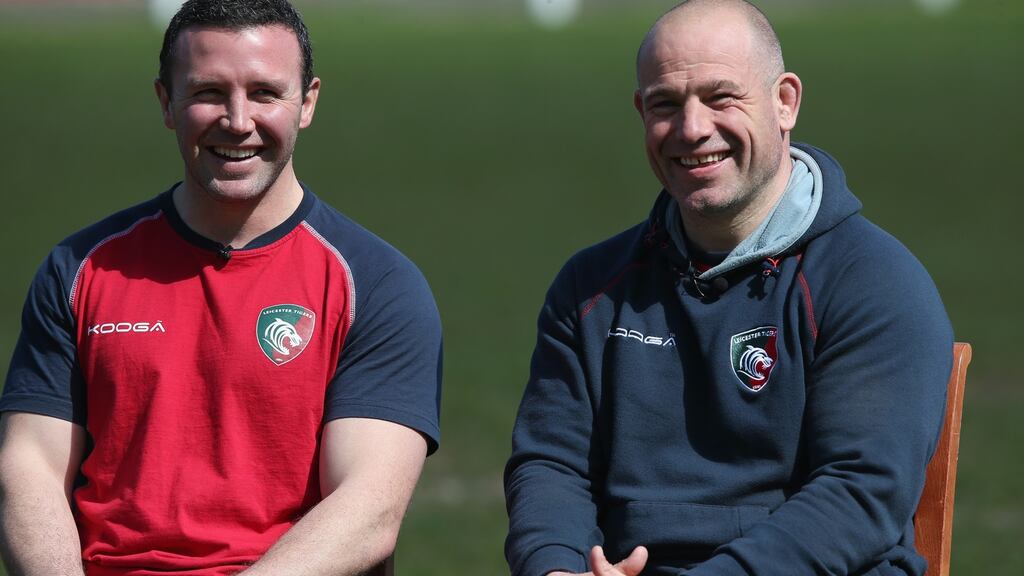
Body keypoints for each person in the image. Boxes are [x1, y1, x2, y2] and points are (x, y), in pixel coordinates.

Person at [504, 1, 953, 575]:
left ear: (784, 101)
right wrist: (555, 567)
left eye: (721, 97)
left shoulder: (873, 281)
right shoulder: (589, 287)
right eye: (666, 104)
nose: (692, 129)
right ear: (641, 112)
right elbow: (550, 465)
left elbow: (859, 494)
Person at [0, 1, 442, 574]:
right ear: (165, 102)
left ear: (306, 103)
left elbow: (369, 509)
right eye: (209, 91)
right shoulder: (79, 269)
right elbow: (29, 464)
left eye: (265, 93)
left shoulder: (378, 284)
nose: (238, 120)